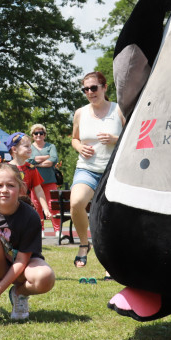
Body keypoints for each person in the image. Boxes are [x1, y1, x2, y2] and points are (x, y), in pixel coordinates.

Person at [0, 163, 55, 327]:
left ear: (21, 189)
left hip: (22, 268)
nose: (4, 190)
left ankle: (19, 293)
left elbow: (21, 260)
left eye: (10, 185)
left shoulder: (30, 216)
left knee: (45, 277)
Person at [70, 71, 124, 267]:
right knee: (76, 203)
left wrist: (114, 140)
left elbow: (133, 137)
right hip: (87, 168)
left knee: (111, 216)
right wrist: (79, 147)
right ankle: (84, 244)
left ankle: (112, 260)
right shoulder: (80, 113)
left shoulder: (119, 110)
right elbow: (74, 138)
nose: (90, 92)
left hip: (113, 170)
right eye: (86, 89)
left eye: (94, 88)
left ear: (104, 87)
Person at [6, 132, 56, 232]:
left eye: (30, 146)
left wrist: (46, 209)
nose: (30, 149)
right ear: (14, 149)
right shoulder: (6, 169)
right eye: (26, 146)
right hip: (8, 208)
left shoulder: (31, 168)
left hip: (25, 209)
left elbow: (39, 191)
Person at [28, 123, 62, 227]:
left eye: (41, 133)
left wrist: (36, 163)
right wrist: (46, 157)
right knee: (36, 206)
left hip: (50, 180)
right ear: (32, 135)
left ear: (44, 135)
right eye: (36, 133)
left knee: (53, 205)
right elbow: (28, 160)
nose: (38, 135)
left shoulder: (51, 146)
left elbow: (53, 160)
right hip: (34, 182)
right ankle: (40, 229)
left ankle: (57, 230)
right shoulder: (29, 147)